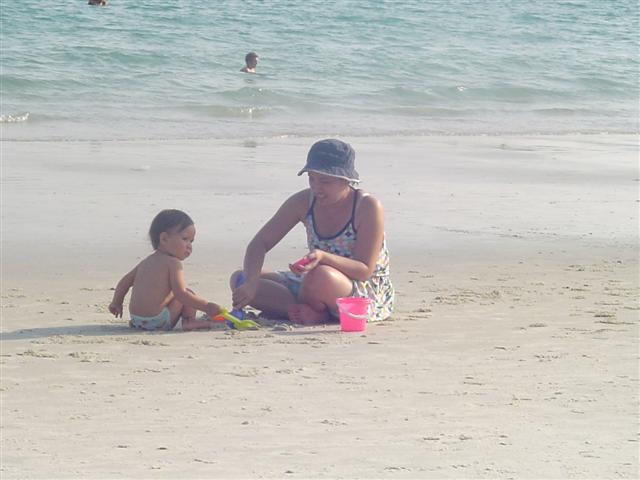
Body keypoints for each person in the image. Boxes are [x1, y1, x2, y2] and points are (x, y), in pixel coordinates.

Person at [231, 139, 394, 325]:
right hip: (310, 283)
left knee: (320, 276)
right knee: (240, 278)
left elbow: (364, 270)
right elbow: (259, 243)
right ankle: (299, 310)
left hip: (359, 289)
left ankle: (318, 313)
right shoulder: (303, 202)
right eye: (312, 179)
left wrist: (323, 257)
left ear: (346, 180)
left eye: (325, 181)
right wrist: (251, 283)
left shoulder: (367, 206)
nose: (317, 188)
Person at [108, 209, 222, 331]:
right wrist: (207, 306)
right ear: (164, 239)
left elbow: (124, 283)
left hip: (136, 320)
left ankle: (181, 320)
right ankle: (189, 321)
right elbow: (181, 294)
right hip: (157, 321)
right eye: (185, 239)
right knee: (188, 293)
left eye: (191, 241)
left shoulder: (145, 262)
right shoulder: (173, 263)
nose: (189, 245)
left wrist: (116, 303)